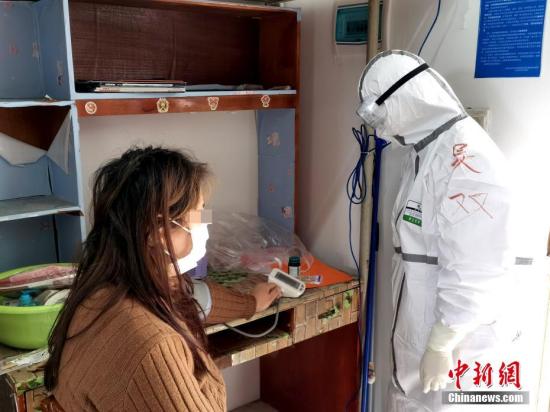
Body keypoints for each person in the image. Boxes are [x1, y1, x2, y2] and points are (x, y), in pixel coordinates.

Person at [44, 146, 282, 411]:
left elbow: (191, 297)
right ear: (155, 231)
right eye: (198, 214)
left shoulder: (102, 290)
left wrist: (251, 303)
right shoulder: (155, 347)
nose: (205, 224)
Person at [357, 50, 524, 411]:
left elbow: (478, 267)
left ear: (406, 99)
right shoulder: (426, 153)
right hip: (422, 340)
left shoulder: (468, 159)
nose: (381, 127)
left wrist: (441, 344)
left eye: (381, 114)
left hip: (460, 347)